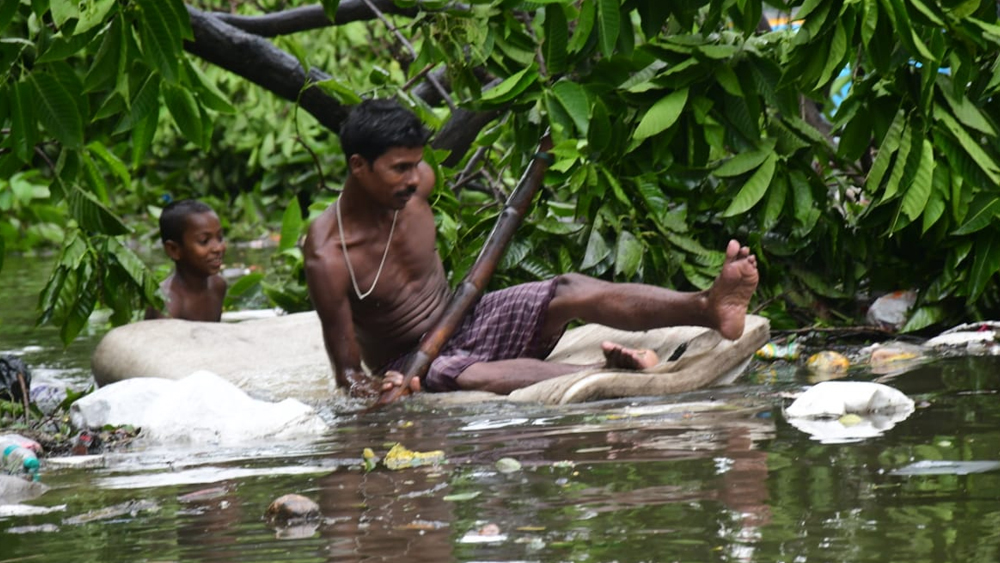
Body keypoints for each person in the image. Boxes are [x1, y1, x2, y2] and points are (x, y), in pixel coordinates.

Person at [303, 99, 759, 401]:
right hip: (413, 360)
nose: (412, 177)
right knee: (469, 374)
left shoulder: (420, 182)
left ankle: (707, 306)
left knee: (566, 288)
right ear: (358, 166)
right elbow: (349, 377)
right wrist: (380, 388)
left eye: (417, 163)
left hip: (469, 315)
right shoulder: (329, 255)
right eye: (398, 168)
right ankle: (621, 376)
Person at [145, 199, 228, 322]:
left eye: (220, 238)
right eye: (204, 241)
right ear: (174, 250)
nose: (218, 247)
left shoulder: (218, 286)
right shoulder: (169, 303)